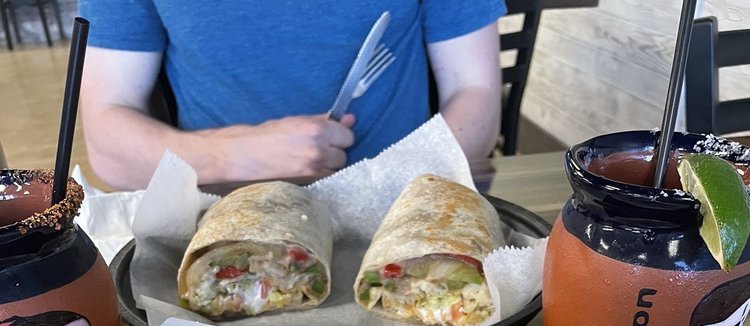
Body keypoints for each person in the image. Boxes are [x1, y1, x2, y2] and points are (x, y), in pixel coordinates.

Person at [78, 1, 506, 191]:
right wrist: (236, 155)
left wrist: (382, 192)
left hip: (409, 202)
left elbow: (477, 91)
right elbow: (107, 147)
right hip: (218, 221)